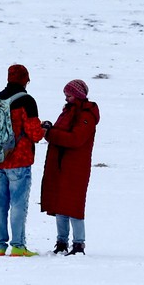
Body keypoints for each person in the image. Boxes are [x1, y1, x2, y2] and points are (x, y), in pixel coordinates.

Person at [0, 64, 45, 256]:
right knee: (18, 204)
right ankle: (18, 246)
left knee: (0, 204)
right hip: (19, 160)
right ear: (25, 79)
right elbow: (34, 134)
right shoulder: (27, 101)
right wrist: (45, 128)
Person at [40, 79, 99, 255]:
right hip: (60, 165)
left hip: (75, 167)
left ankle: (78, 244)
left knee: (74, 206)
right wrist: (49, 129)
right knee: (60, 205)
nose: (66, 98)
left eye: (69, 95)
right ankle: (61, 242)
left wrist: (50, 133)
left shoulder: (86, 115)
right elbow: (62, 133)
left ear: (78, 95)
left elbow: (75, 139)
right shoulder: (68, 111)